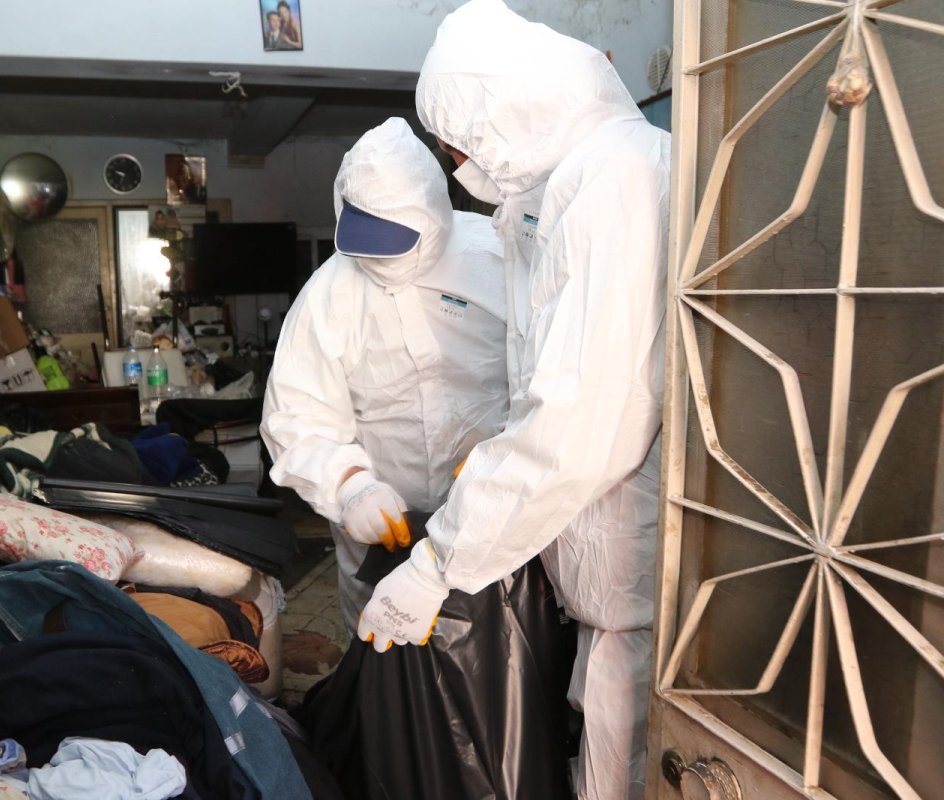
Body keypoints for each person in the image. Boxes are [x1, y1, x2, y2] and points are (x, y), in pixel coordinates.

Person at [356, 2, 671, 799]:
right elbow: (551, 379)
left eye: (461, 144)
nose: (461, 165)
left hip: (631, 576)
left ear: (504, 111)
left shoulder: (610, 184)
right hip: (600, 577)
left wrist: (441, 561)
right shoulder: (571, 185)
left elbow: (576, 424)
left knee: (623, 764)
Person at [261, 117, 509, 625]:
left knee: (499, 642)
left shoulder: (497, 256)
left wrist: (508, 450)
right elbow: (296, 414)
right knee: (383, 643)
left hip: (495, 511)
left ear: (433, 215)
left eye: (396, 237)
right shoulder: (329, 292)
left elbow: (550, 373)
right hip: (381, 526)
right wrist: (349, 485)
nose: (378, 253)